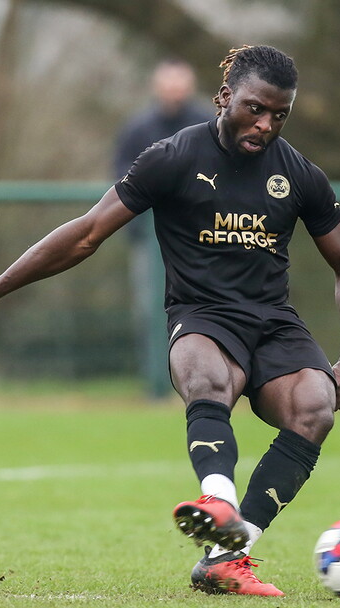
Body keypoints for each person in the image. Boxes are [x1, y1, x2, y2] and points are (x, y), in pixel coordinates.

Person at [0, 45, 340, 598]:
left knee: (315, 407)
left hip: (274, 321)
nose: (265, 124)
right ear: (224, 97)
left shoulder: (299, 173)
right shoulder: (173, 157)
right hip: (203, 316)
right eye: (255, 109)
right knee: (208, 378)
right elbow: (87, 233)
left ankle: (228, 554)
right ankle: (218, 501)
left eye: (280, 115)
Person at [112, 59, 209, 398]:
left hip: (201, 240)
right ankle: (155, 385)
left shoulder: (206, 123)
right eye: (169, 85)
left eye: (180, 85)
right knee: (149, 310)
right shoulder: (138, 128)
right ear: (158, 88)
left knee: (206, 309)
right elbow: (121, 178)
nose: (175, 92)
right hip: (150, 242)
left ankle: (204, 382)